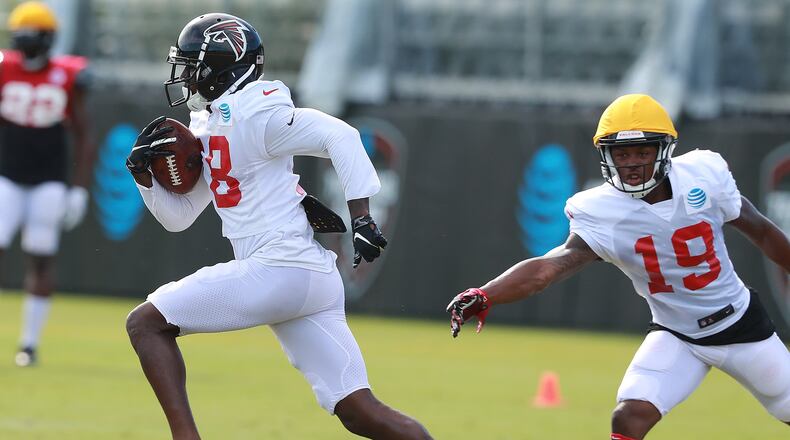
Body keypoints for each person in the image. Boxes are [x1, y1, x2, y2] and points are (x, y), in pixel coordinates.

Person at [124, 13, 432, 440]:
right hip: (305, 275)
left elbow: (340, 135)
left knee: (145, 324)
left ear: (222, 65)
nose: (188, 77)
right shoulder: (210, 121)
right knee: (361, 412)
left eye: (194, 65)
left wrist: (362, 216)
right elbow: (180, 217)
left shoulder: (256, 110)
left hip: (279, 266)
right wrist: (144, 178)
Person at [447, 94, 790, 439]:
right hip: (678, 335)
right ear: (606, 156)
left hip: (741, 325)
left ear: (664, 150)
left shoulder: (704, 174)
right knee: (629, 417)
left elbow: (760, 229)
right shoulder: (601, 209)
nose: (633, 163)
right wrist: (486, 294)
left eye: (643, 152)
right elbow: (547, 268)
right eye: (622, 153)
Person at [0, 1, 94, 367]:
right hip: (6, 174)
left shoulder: (69, 75)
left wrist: (79, 188)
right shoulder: (4, 69)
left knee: (40, 255)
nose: (24, 42)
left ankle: (29, 343)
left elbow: (86, 135)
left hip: (49, 180)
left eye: (31, 36)